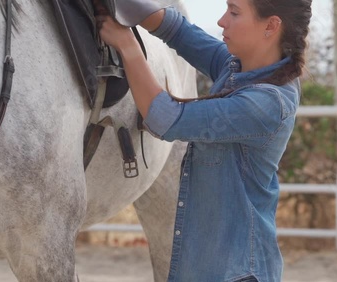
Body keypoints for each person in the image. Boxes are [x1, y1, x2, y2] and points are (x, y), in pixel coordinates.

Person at [96, 0, 312, 281]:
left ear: (271, 25)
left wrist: (127, 46)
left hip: (236, 272)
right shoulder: (239, 68)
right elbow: (181, 34)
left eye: (234, 12)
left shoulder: (267, 103)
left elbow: (166, 118)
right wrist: (132, 6)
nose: (222, 21)